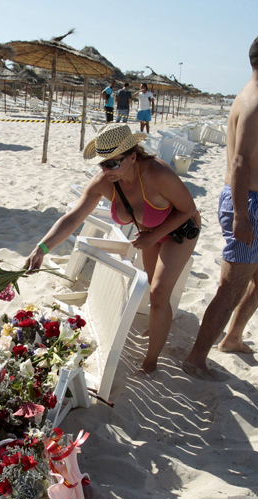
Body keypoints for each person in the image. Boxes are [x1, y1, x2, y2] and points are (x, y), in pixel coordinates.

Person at [25, 124, 199, 373]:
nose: (106, 170)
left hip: (179, 229)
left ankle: (150, 363)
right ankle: (160, 323)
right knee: (153, 290)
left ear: (132, 156)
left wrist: (155, 236)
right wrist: (42, 247)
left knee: (159, 292)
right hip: (150, 232)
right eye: (102, 163)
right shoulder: (104, 182)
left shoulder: (157, 172)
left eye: (113, 164)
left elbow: (187, 208)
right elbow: (73, 218)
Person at [181, 30, 258, 379]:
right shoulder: (257, 101)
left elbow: (254, 161)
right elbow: (240, 163)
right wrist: (244, 214)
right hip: (250, 206)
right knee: (230, 287)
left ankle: (232, 337)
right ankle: (196, 358)